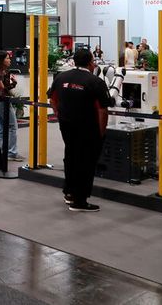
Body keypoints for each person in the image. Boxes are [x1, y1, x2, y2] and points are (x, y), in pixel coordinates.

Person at [48, 48, 111, 212]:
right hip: (88, 128)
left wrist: (59, 114)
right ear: (91, 62)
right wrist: (101, 132)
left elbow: (52, 98)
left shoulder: (61, 77)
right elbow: (103, 110)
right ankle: (80, 201)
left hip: (66, 126)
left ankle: (69, 192)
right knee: (86, 162)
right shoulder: (95, 82)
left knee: (70, 157)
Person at [0, 51, 23, 162]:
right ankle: (11, 152)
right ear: (1, 60)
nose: (10, 60)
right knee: (12, 126)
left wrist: (13, 84)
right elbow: (1, 90)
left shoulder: (2, 71)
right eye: (7, 58)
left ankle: (2, 151)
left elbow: (4, 88)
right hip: (2, 102)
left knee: (0, 128)